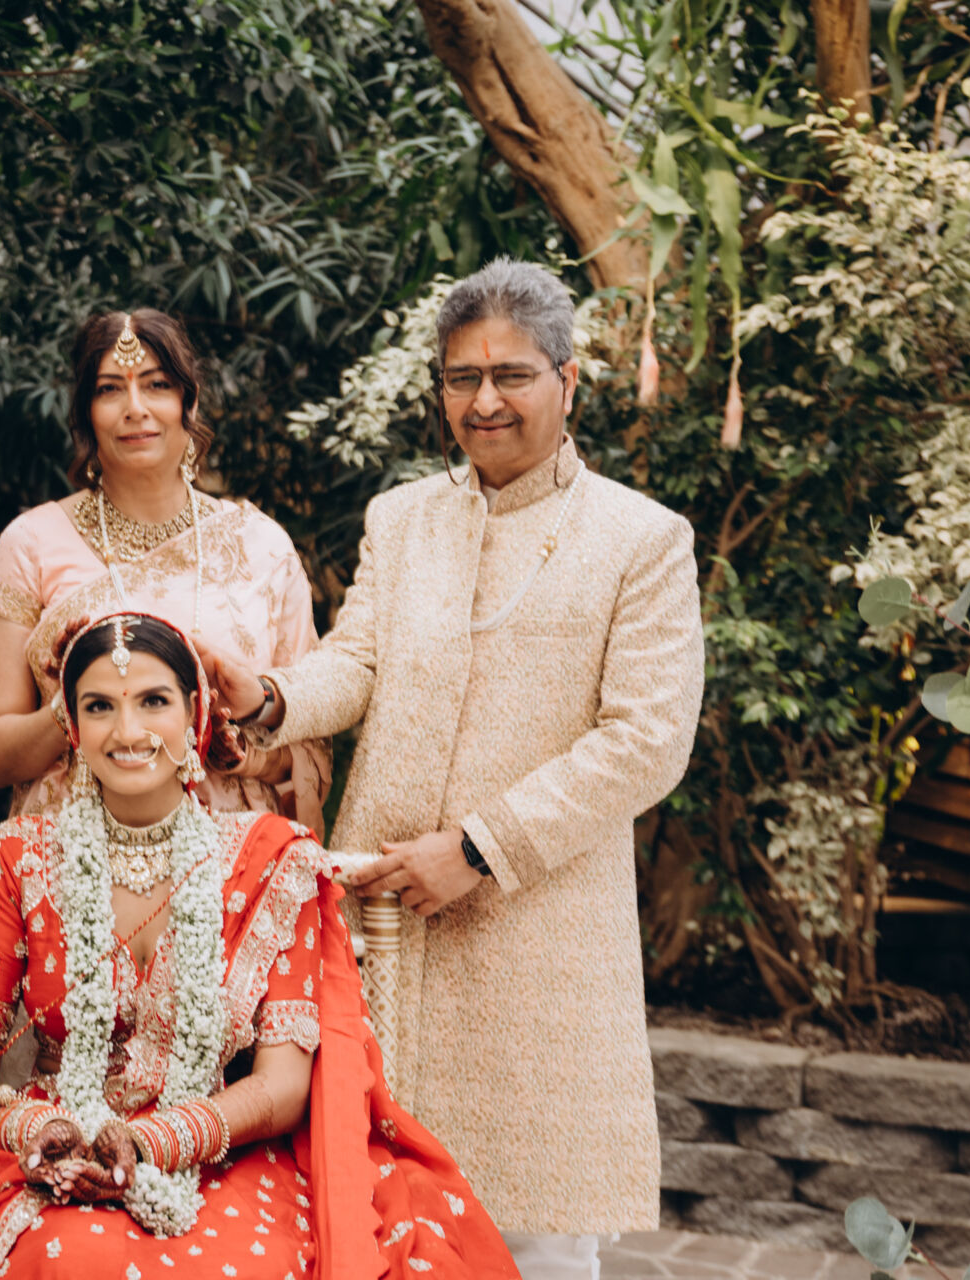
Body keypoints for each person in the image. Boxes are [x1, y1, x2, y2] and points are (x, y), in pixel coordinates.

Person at [211, 258, 705, 1280]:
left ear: (568, 380)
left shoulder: (641, 539)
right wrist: (267, 698)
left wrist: (478, 848)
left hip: (540, 931)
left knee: (536, 1235)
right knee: (366, 1207)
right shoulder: (403, 519)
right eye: (461, 377)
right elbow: (358, 660)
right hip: (382, 913)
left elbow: (647, 738)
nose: (484, 401)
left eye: (511, 375)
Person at [0, 612, 519, 1280]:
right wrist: (35, 1132)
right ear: (71, 725)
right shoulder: (20, 858)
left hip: (223, 1147)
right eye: (99, 706)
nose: (127, 731)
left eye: (153, 702)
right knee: (69, 1257)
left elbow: (283, 1084)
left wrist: (153, 1140)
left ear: (194, 714)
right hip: (57, 1147)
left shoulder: (269, 860)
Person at [0, 309, 331, 835]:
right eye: (110, 389)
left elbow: (312, 747)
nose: (135, 408)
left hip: (235, 858)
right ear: (86, 413)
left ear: (190, 402)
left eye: (157, 385)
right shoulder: (30, 543)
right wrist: (70, 703)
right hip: (77, 857)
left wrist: (241, 752)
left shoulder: (263, 547)